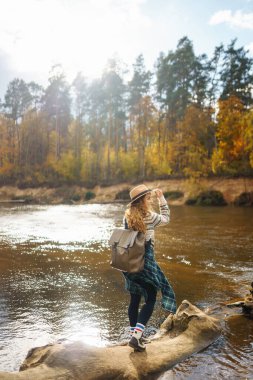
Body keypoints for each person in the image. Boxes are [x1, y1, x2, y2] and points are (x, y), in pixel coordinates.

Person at [123, 184, 176, 352]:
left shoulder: (127, 217)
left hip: (129, 263)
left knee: (135, 299)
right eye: (148, 198)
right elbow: (166, 218)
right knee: (151, 298)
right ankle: (137, 337)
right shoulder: (150, 216)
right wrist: (161, 198)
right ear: (142, 201)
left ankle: (134, 335)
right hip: (146, 262)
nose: (150, 200)